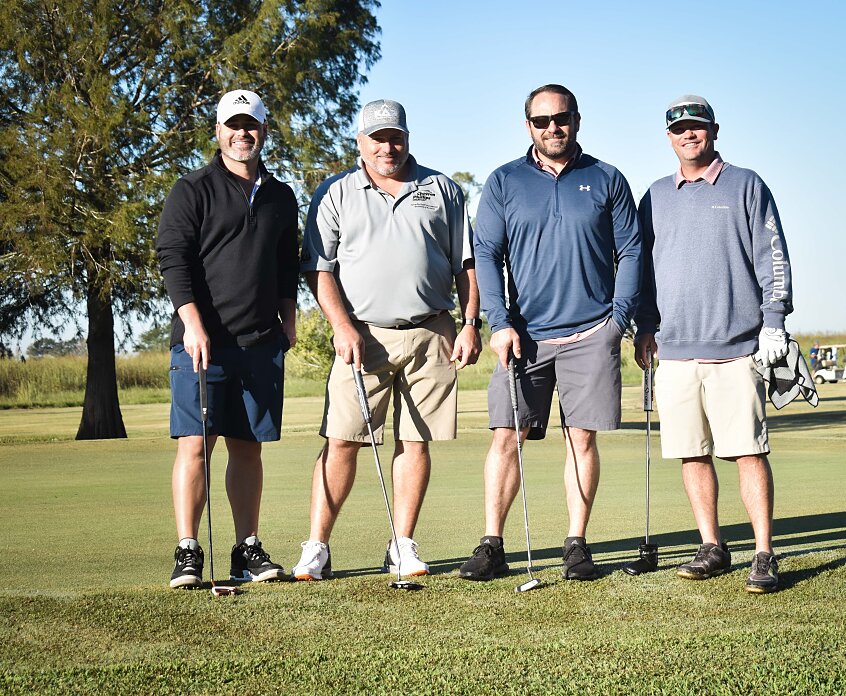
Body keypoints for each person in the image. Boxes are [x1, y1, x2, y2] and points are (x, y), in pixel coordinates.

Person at [458, 84, 642, 582]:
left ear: (577, 119)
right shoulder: (503, 182)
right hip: (524, 335)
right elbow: (487, 258)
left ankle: (576, 545)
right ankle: (492, 544)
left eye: (560, 118)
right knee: (506, 436)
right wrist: (498, 323)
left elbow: (631, 253)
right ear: (528, 126)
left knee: (580, 439)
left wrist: (618, 321)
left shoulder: (606, 178)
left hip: (592, 331)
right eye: (541, 121)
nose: (552, 128)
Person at [292, 99, 480, 581]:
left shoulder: (441, 189)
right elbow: (320, 268)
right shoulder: (335, 192)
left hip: (431, 331)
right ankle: (317, 546)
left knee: (415, 443)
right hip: (361, 336)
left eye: (394, 136)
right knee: (342, 441)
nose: (386, 146)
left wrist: (471, 323)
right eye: (376, 138)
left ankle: (402, 544)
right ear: (360, 142)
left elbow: (466, 264)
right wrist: (340, 326)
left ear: (407, 138)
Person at [634, 95, 793, 594]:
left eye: (697, 127)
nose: (689, 135)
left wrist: (775, 321)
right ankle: (713, 546)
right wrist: (643, 326)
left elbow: (774, 257)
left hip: (737, 346)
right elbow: (641, 271)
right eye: (679, 129)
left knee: (748, 451)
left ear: (714, 130)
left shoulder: (746, 184)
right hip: (675, 350)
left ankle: (764, 552)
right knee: (692, 453)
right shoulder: (655, 194)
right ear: (669, 138)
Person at [157, 89, 298, 589]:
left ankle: (247, 549)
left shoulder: (281, 195)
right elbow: (173, 259)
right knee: (195, 444)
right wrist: (193, 324)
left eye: (251, 125)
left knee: (248, 447)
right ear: (217, 132)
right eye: (232, 125)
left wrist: (289, 317)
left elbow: (285, 267)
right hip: (202, 343)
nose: (242, 133)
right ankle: (188, 550)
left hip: (260, 343)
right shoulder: (191, 189)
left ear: (264, 129)